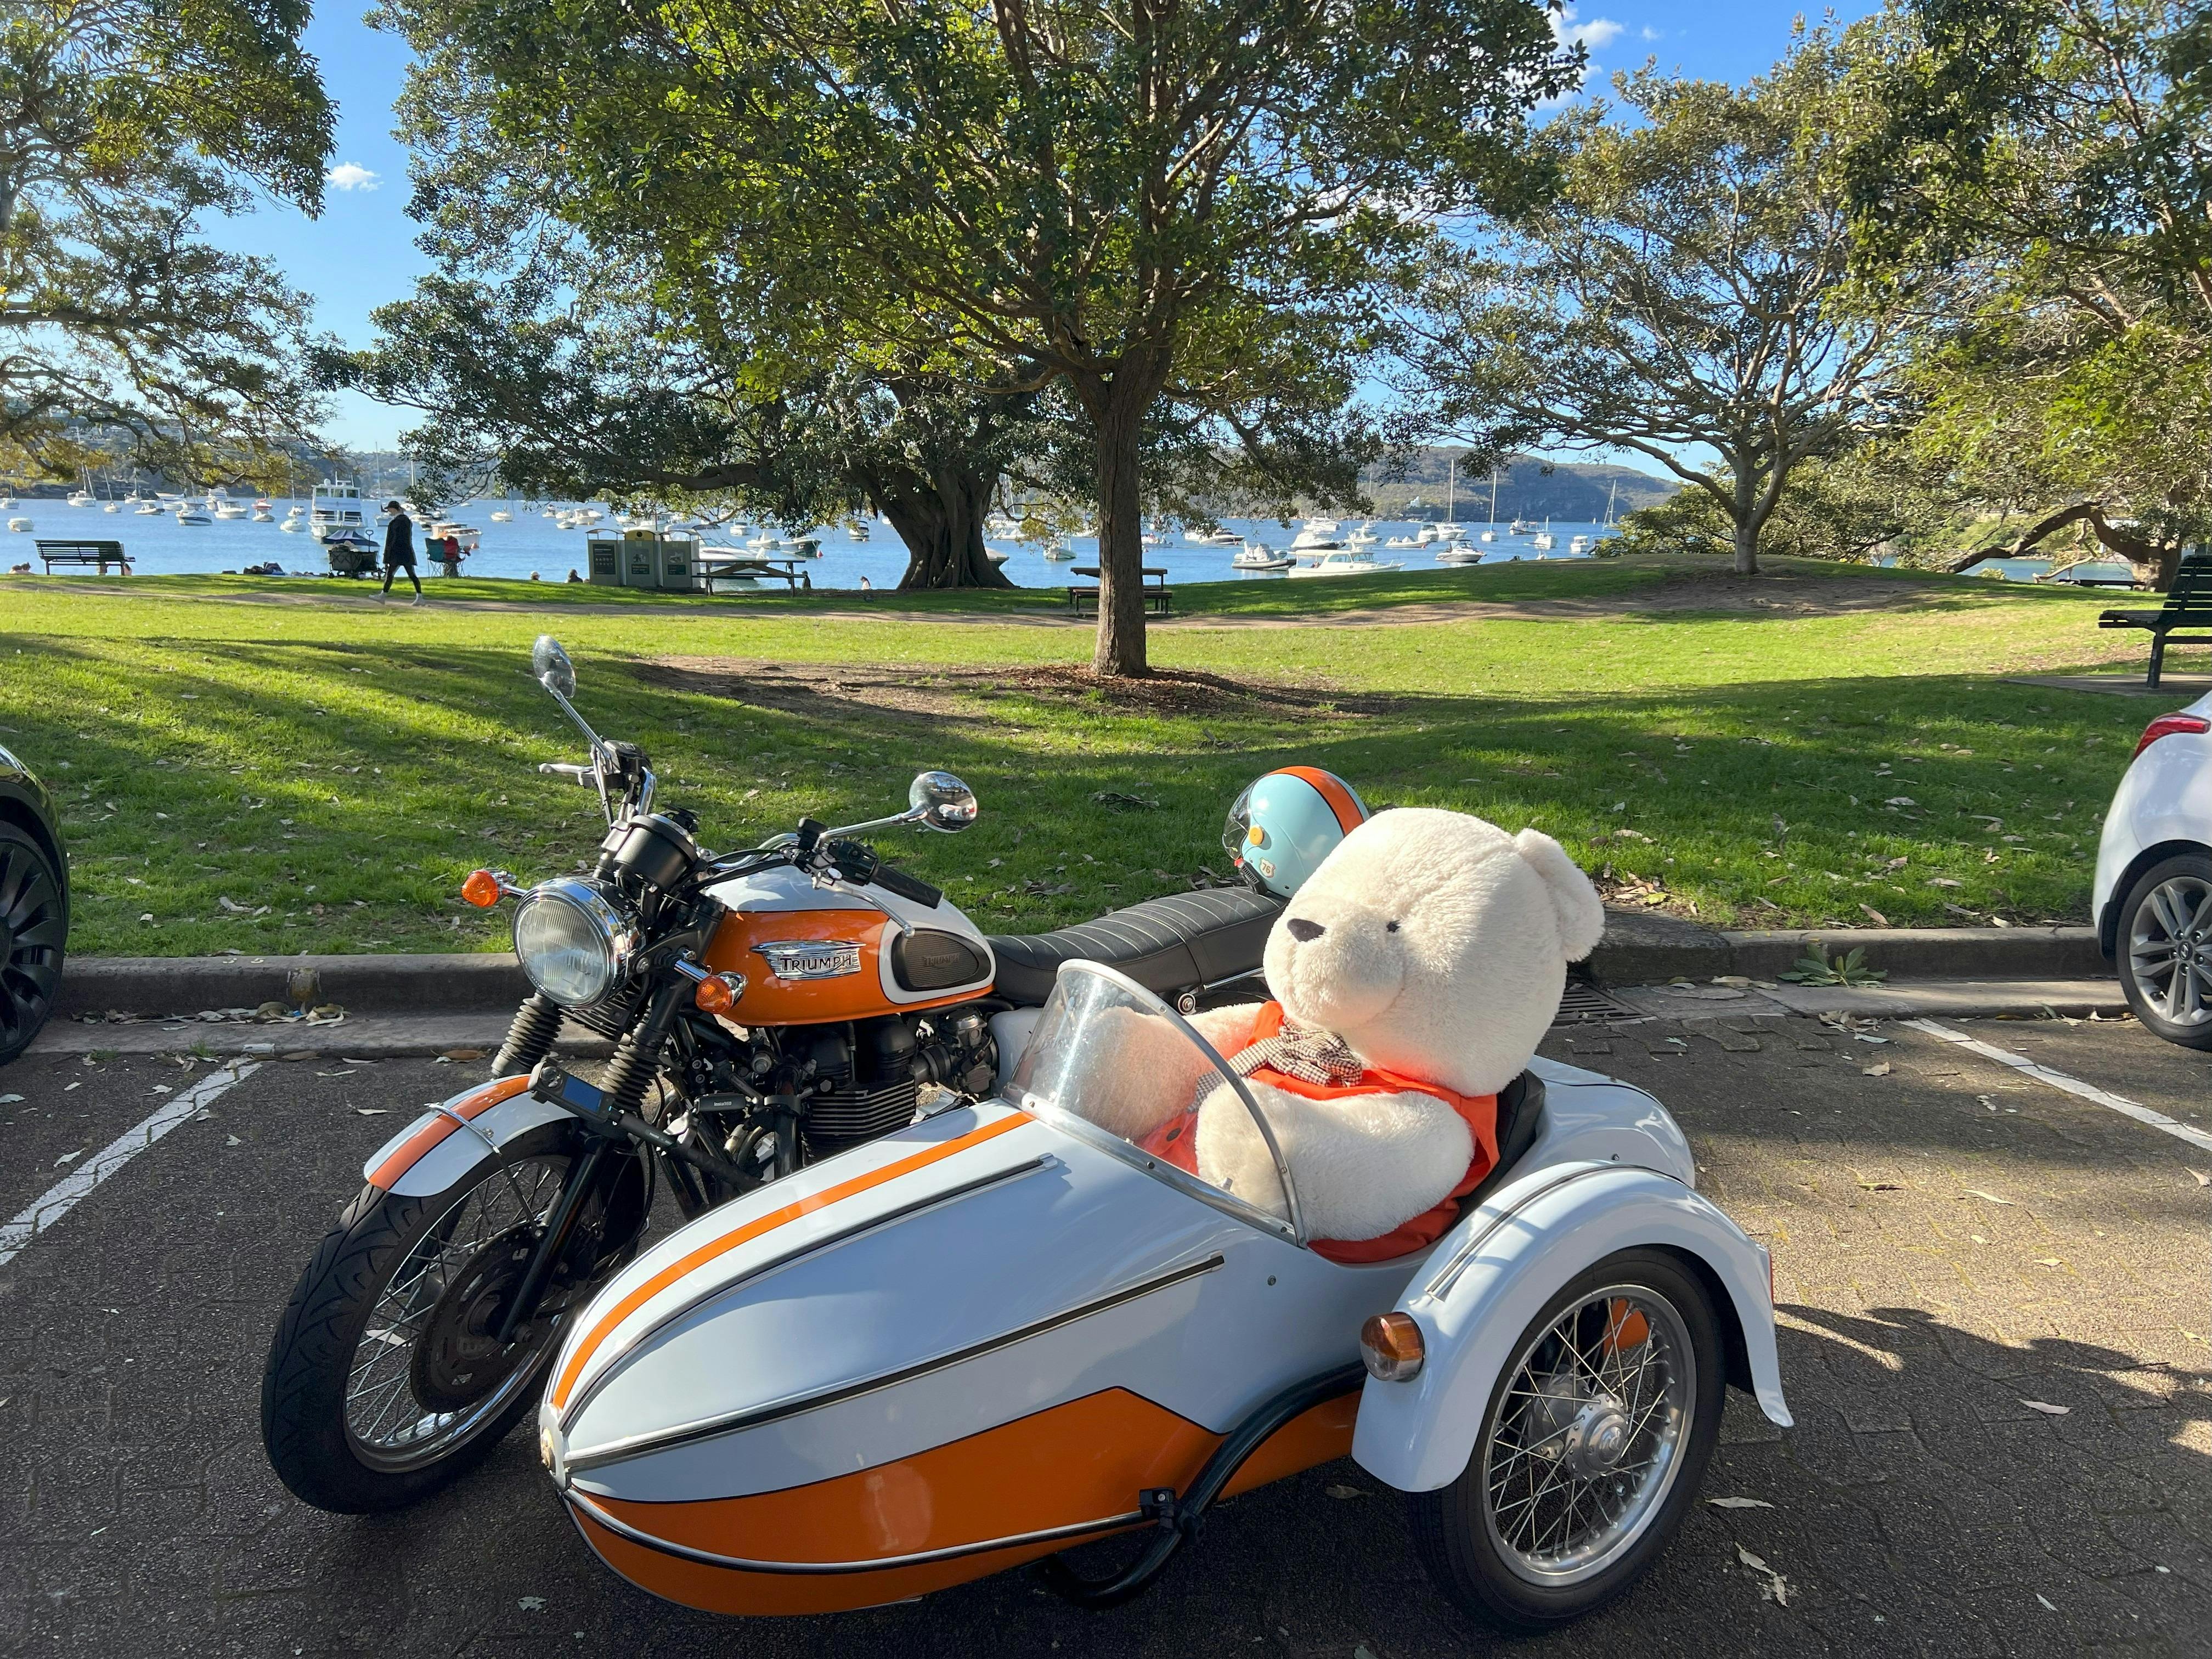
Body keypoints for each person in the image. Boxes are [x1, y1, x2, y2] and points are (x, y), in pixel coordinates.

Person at [380, 500, 422, 603]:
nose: (389, 511)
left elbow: (392, 540)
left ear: (393, 509)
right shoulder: (406, 521)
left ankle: (383, 596)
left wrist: (388, 554)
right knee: (409, 574)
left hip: (397, 553)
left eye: (389, 509)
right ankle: (419, 596)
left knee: (392, 574)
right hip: (405, 552)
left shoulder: (397, 522)